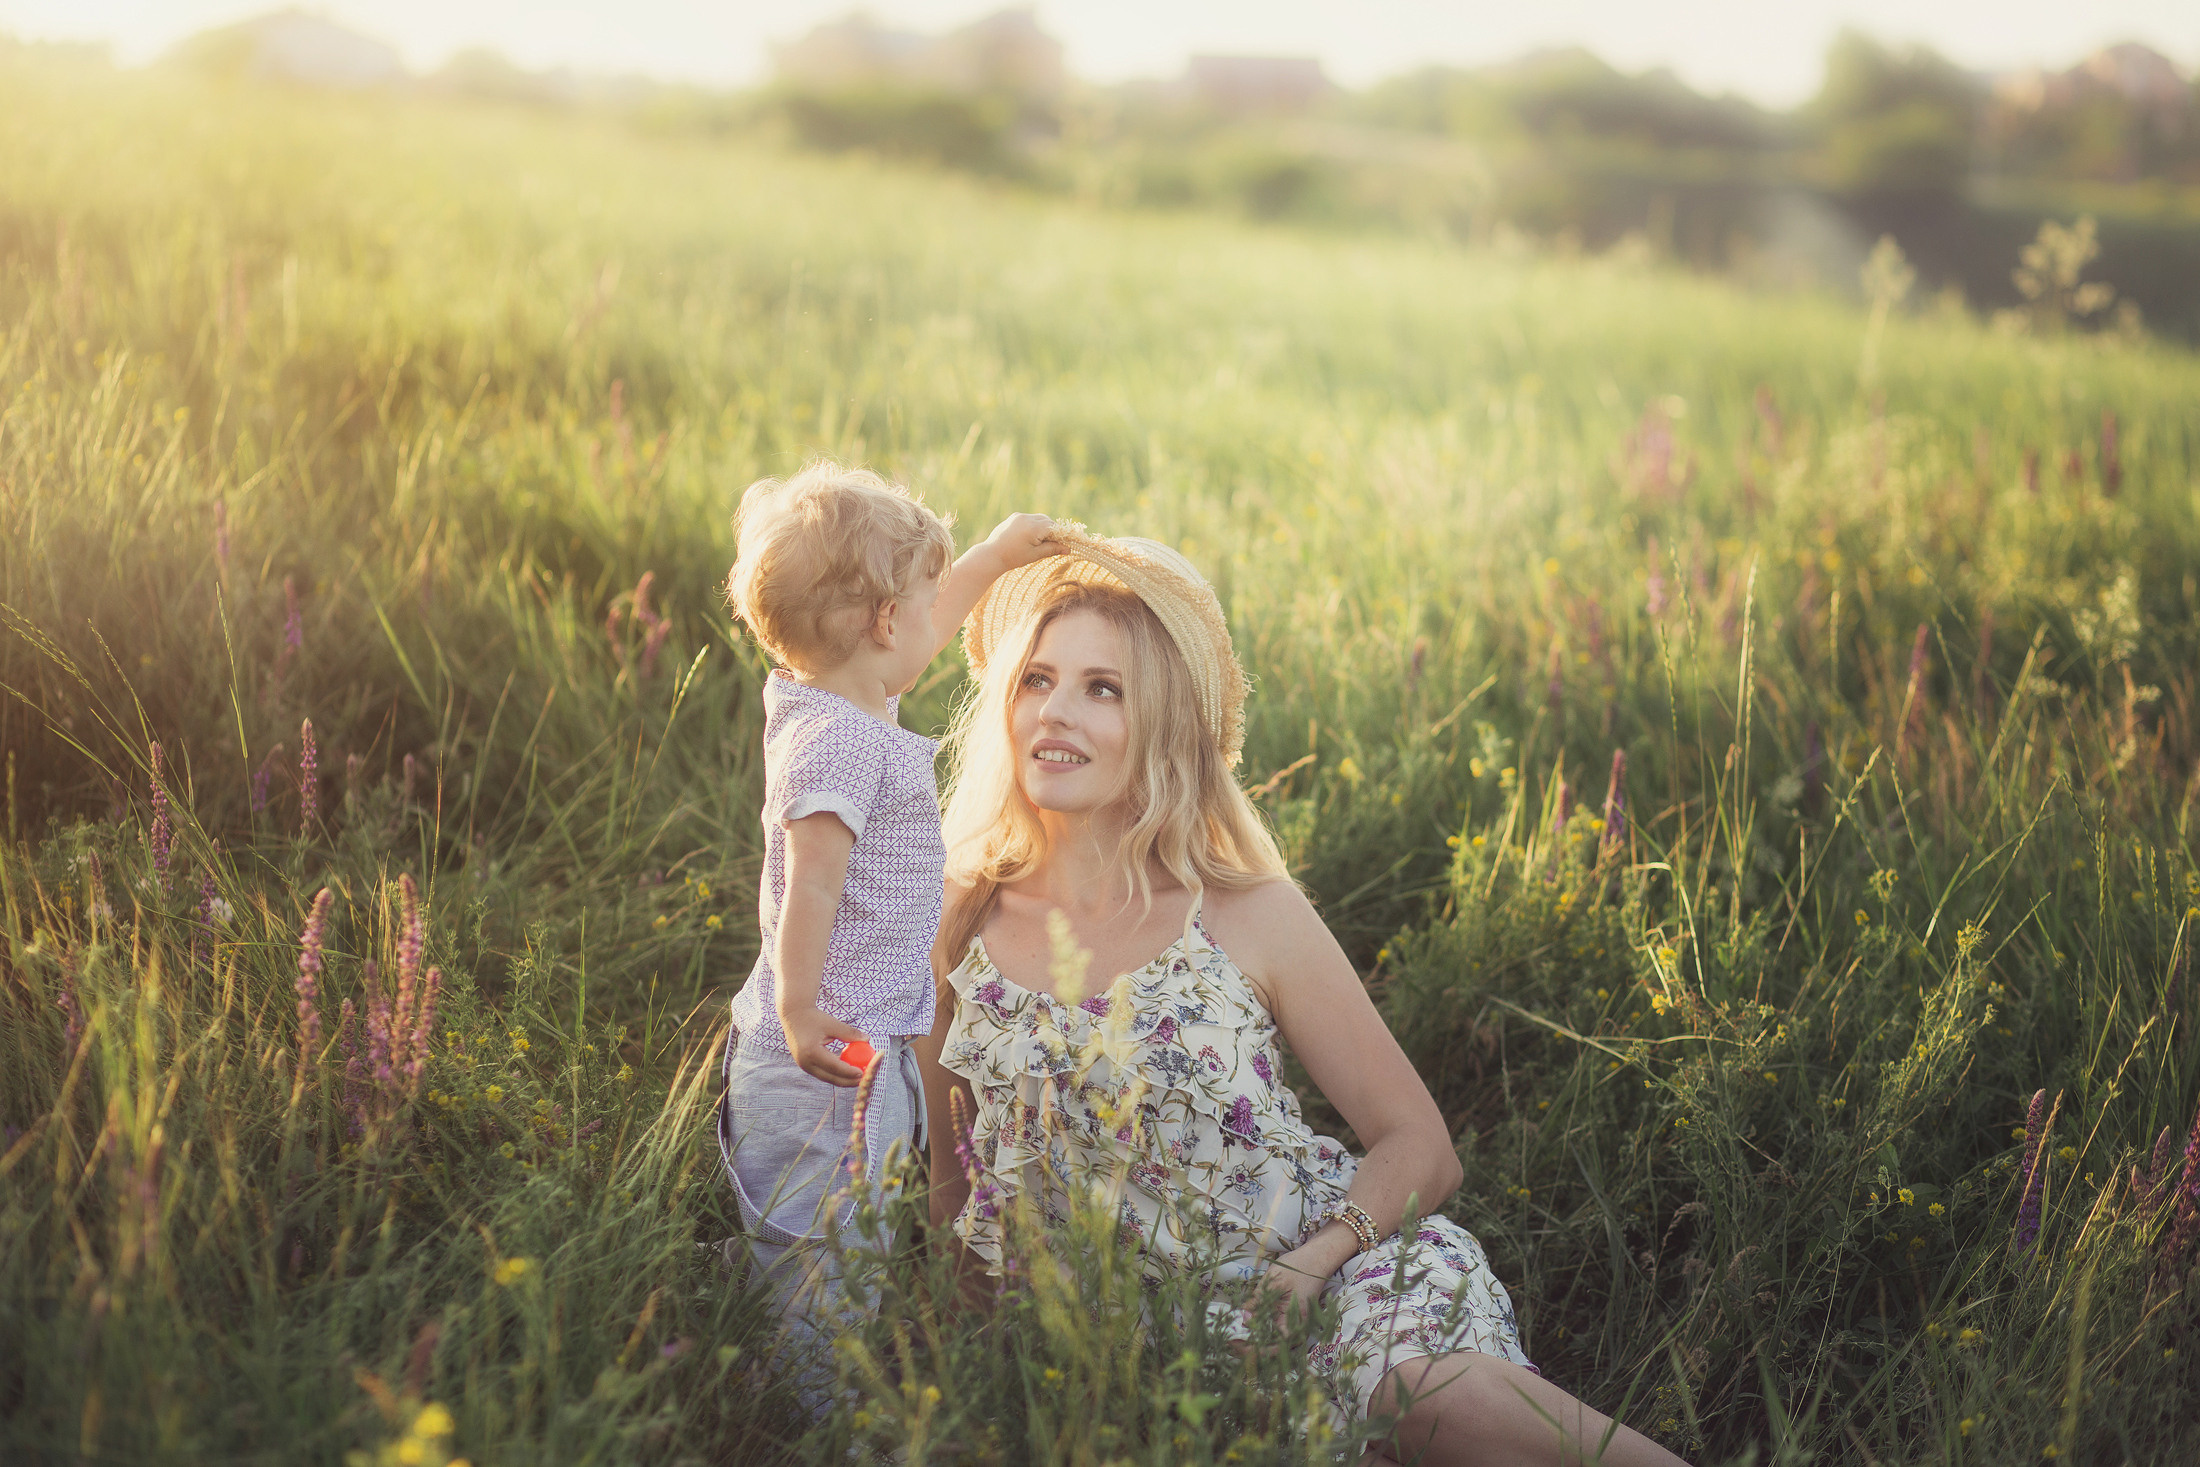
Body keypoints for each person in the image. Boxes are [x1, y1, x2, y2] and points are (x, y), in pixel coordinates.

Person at [916, 528, 1689, 1466]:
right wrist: (970, 1394)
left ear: (1161, 723)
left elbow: (1420, 1142)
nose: (1055, 712)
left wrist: (1309, 1266)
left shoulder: (1243, 911)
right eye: (1037, 679)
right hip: (1147, 1355)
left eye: (1103, 688)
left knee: (1417, 1393)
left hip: (1331, 1272)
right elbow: (958, 1195)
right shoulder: (957, 923)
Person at [714, 459, 1054, 1413]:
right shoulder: (839, 742)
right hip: (824, 1059)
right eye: (923, 599)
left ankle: (800, 1358)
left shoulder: (838, 696)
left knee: (840, 1235)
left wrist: (994, 555)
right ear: (881, 622)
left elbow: (925, 632)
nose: (933, 619)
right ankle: (818, 1418)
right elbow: (811, 886)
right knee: (824, 1254)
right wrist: (800, 1007)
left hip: (856, 1040)